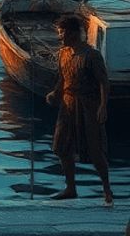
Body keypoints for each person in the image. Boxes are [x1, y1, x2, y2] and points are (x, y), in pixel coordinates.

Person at [47, 13, 113, 204]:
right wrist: (55, 93)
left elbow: (104, 83)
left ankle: (106, 188)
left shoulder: (92, 55)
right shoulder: (63, 53)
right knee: (62, 146)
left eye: (63, 32)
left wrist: (103, 106)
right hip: (67, 104)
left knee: (95, 150)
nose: (61, 37)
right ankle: (70, 187)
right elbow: (63, 78)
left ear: (74, 33)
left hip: (88, 105)